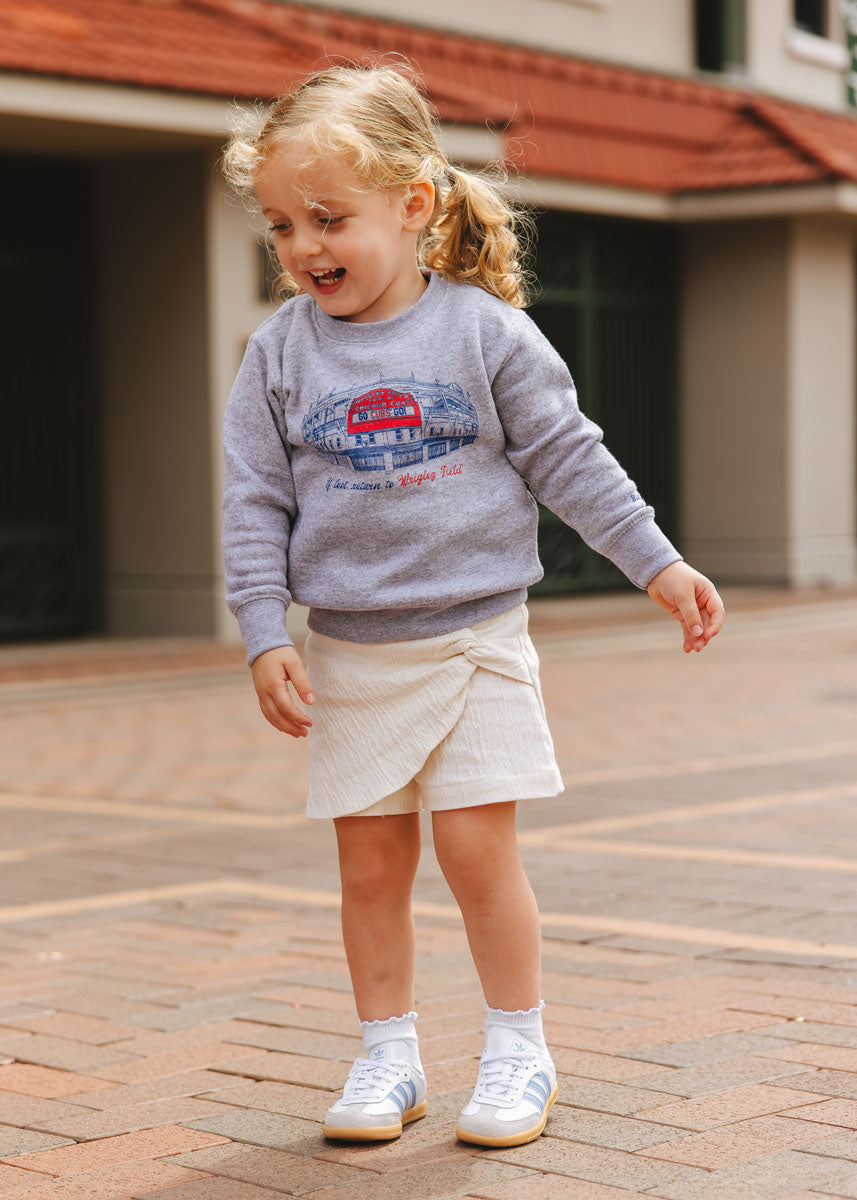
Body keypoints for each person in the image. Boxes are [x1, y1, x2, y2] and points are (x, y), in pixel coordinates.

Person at [220, 60, 724, 1150]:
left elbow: (571, 461)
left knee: (474, 852)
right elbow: (254, 504)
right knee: (368, 867)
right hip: (351, 654)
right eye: (280, 224)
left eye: (327, 217)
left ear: (410, 206)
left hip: (478, 641)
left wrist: (656, 564)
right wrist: (263, 631)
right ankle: (388, 1056)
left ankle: (516, 1048)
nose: (304, 246)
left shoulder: (484, 334)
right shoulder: (276, 354)